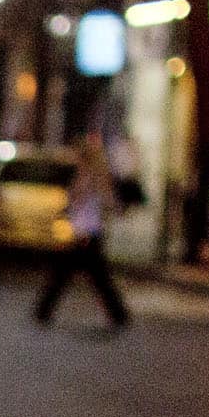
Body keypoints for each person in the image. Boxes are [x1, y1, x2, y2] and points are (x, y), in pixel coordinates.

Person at [30, 122, 129, 328]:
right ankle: (118, 314)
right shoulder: (84, 175)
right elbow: (76, 201)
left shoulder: (93, 177)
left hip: (87, 234)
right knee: (85, 277)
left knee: (77, 276)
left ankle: (44, 311)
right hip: (81, 232)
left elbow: (100, 201)